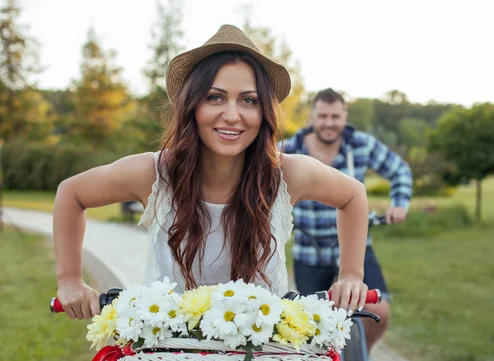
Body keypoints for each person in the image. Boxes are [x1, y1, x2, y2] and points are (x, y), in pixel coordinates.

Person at [53, 25, 370, 323]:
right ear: (193, 105)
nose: (232, 115)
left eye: (248, 100)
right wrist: (70, 280)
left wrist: (351, 275)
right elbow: (72, 193)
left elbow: (353, 195)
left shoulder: (286, 174)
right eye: (215, 97)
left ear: (264, 113)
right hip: (168, 359)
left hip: (266, 360)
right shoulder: (154, 173)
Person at [281, 88, 413, 361]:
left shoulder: (361, 145)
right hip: (310, 251)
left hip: (355, 247)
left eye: (335, 116)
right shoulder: (290, 149)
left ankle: (362, 359)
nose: (329, 123)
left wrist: (399, 204)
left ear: (345, 117)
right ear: (312, 116)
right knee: (306, 324)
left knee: (378, 309)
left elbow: (399, 171)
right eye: (323, 116)